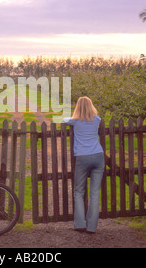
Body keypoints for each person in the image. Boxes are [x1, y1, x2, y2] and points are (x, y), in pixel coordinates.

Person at [63, 96, 104, 234]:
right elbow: (98, 118)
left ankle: (80, 224)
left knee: (78, 192)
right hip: (98, 156)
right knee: (95, 193)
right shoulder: (97, 120)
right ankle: (92, 227)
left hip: (82, 157)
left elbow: (64, 119)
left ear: (78, 107)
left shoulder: (74, 121)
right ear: (91, 106)